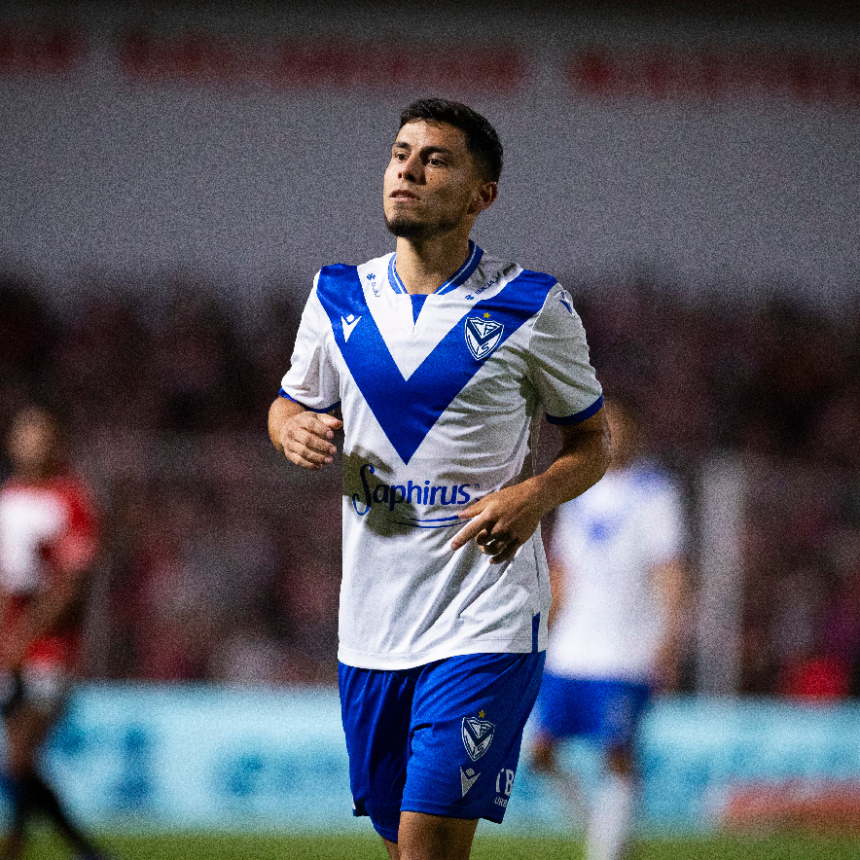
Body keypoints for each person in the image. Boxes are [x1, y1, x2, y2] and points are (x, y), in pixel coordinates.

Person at [268, 97, 609, 860]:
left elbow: (593, 443)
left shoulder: (532, 305)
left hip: (484, 616)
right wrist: (289, 427)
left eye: (435, 160)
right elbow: (289, 403)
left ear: (482, 195)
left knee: (426, 846)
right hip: (373, 627)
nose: (408, 172)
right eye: (400, 155)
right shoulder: (336, 295)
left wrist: (534, 495)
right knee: (403, 848)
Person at [530, 398, 687, 860]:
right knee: (540, 754)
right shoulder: (577, 492)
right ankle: (607, 836)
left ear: (633, 433)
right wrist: (541, 632)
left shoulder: (655, 493)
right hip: (571, 649)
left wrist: (667, 642)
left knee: (618, 754)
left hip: (626, 651)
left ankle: (605, 851)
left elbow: (670, 573)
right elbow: (562, 573)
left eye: (616, 426)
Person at [0, 407, 109, 860]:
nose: (32, 441)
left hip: (50, 648)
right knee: (19, 762)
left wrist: (21, 637)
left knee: (20, 756)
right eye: (25, 433)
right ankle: (80, 849)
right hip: (9, 646)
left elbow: (71, 587)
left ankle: (19, 842)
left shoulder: (71, 499)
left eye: (41, 433)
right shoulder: (6, 498)